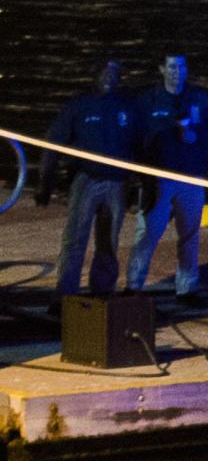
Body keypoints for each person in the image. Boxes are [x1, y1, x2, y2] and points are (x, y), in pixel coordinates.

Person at [41, 60, 141, 301]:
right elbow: (53, 142)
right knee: (75, 239)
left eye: (114, 73)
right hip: (87, 180)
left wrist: (138, 183)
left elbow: (140, 145)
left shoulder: (127, 107)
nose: (109, 77)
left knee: (109, 242)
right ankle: (65, 295)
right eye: (104, 72)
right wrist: (46, 181)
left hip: (116, 183)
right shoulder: (80, 105)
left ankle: (103, 291)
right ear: (94, 76)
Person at [130, 54, 208, 303]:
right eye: (171, 66)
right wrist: (141, 174)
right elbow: (135, 136)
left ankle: (187, 288)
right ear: (162, 69)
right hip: (158, 179)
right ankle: (133, 284)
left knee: (190, 234)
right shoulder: (148, 100)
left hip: (191, 177)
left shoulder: (199, 98)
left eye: (181, 66)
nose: (176, 72)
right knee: (147, 232)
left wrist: (198, 137)